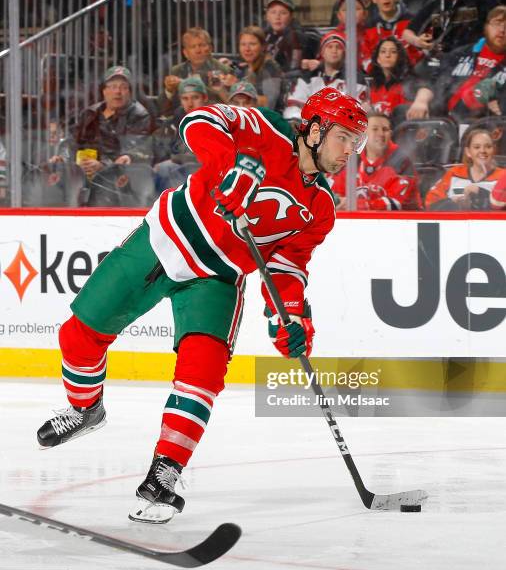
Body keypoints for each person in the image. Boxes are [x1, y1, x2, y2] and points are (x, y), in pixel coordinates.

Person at [36, 88, 368, 524]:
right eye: (345, 137)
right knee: (79, 335)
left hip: (218, 277)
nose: (350, 151)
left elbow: (287, 266)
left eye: (356, 142)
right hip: (164, 240)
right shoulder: (268, 129)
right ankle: (85, 409)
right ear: (316, 129)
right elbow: (198, 122)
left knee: (203, 372)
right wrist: (231, 167)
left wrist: (289, 317)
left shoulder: (320, 208)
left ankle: (164, 473)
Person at [48, 66, 154, 207]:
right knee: (58, 175)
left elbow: (131, 150)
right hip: (84, 169)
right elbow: (72, 141)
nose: (117, 91)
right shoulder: (91, 113)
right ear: (104, 91)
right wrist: (63, 157)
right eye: (113, 86)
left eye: (123, 87)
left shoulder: (139, 115)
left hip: (116, 176)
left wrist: (103, 165)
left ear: (129, 91)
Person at [407, 5, 506, 121]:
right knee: (401, 111)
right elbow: (434, 78)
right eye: (497, 23)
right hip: (441, 119)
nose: (502, 30)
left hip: (482, 126)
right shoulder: (463, 53)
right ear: (486, 27)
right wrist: (421, 101)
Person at [402, 0, 497, 73]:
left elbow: (500, 18)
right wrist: (418, 41)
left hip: (471, 57)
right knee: (415, 77)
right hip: (442, 58)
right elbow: (407, 33)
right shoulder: (434, 1)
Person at [332, 111, 421, 210]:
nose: (380, 134)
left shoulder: (400, 160)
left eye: (385, 129)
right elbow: (337, 196)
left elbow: (397, 203)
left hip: (399, 223)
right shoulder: (351, 160)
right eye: (375, 129)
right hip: (357, 222)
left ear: (390, 134)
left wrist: (356, 205)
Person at [283, 31, 367, 124]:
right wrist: (304, 124)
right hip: (311, 129)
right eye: (329, 47)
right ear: (322, 52)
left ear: (344, 53)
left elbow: (359, 112)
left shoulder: (355, 79)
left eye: (338, 47)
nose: (334, 50)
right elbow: (293, 106)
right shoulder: (307, 79)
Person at [157, 27, 236, 117]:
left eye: (202, 45)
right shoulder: (176, 71)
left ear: (210, 48)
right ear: (185, 53)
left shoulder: (224, 70)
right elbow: (160, 108)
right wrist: (169, 91)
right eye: (193, 47)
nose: (198, 50)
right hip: (182, 120)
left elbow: (236, 106)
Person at [425, 128, 505, 209]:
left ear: (494, 149)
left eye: (488, 147)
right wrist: (452, 202)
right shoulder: (453, 173)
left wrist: (480, 192)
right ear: (468, 152)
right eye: (477, 147)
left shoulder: (503, 176)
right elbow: (430, 204)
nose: (482, 150)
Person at [152, 77, 209, 192]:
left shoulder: (215, 122)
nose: (190, 103)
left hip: (204, 174)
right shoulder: (171, 123)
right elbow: (156, 148)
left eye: (195, 98)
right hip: (174, 175)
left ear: (205, 98)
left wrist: (175, 159)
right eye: (185, 98)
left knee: (167, 168)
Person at [361, 0, 423, 71]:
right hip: (379, 79)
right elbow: (365, 60)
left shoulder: (414, 23)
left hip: (409, 79)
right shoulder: (368, 27)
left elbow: (420, 56)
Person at [367, 37, 419, 126]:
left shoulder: (408, 83)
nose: (388, 55)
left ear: (399, 57)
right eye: (383, 51)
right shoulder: (372, 85)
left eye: (393, 52)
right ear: (378, 59)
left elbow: (410, 118)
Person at [264, 0, 306, 72]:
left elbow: (294, 69)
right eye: (273, 12)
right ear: (267, 16)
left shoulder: (296, 37)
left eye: (283, 13)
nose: (277, 17)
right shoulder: (264, 35)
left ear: (291, 16)